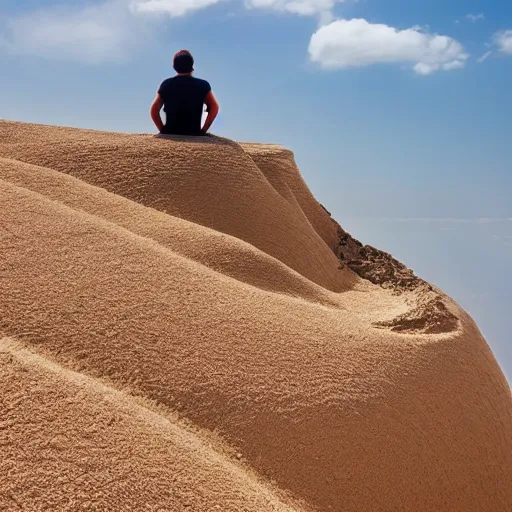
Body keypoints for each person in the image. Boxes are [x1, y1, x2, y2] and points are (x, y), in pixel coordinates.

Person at [150, 50, 219, 136]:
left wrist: (163, 130)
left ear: (174, 66)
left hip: (170, 132)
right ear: (191, 66)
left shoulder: (166, 84)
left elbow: (154, 110)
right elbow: (214, 107)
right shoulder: (202, 85)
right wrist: (203, 130)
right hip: (193, 133)